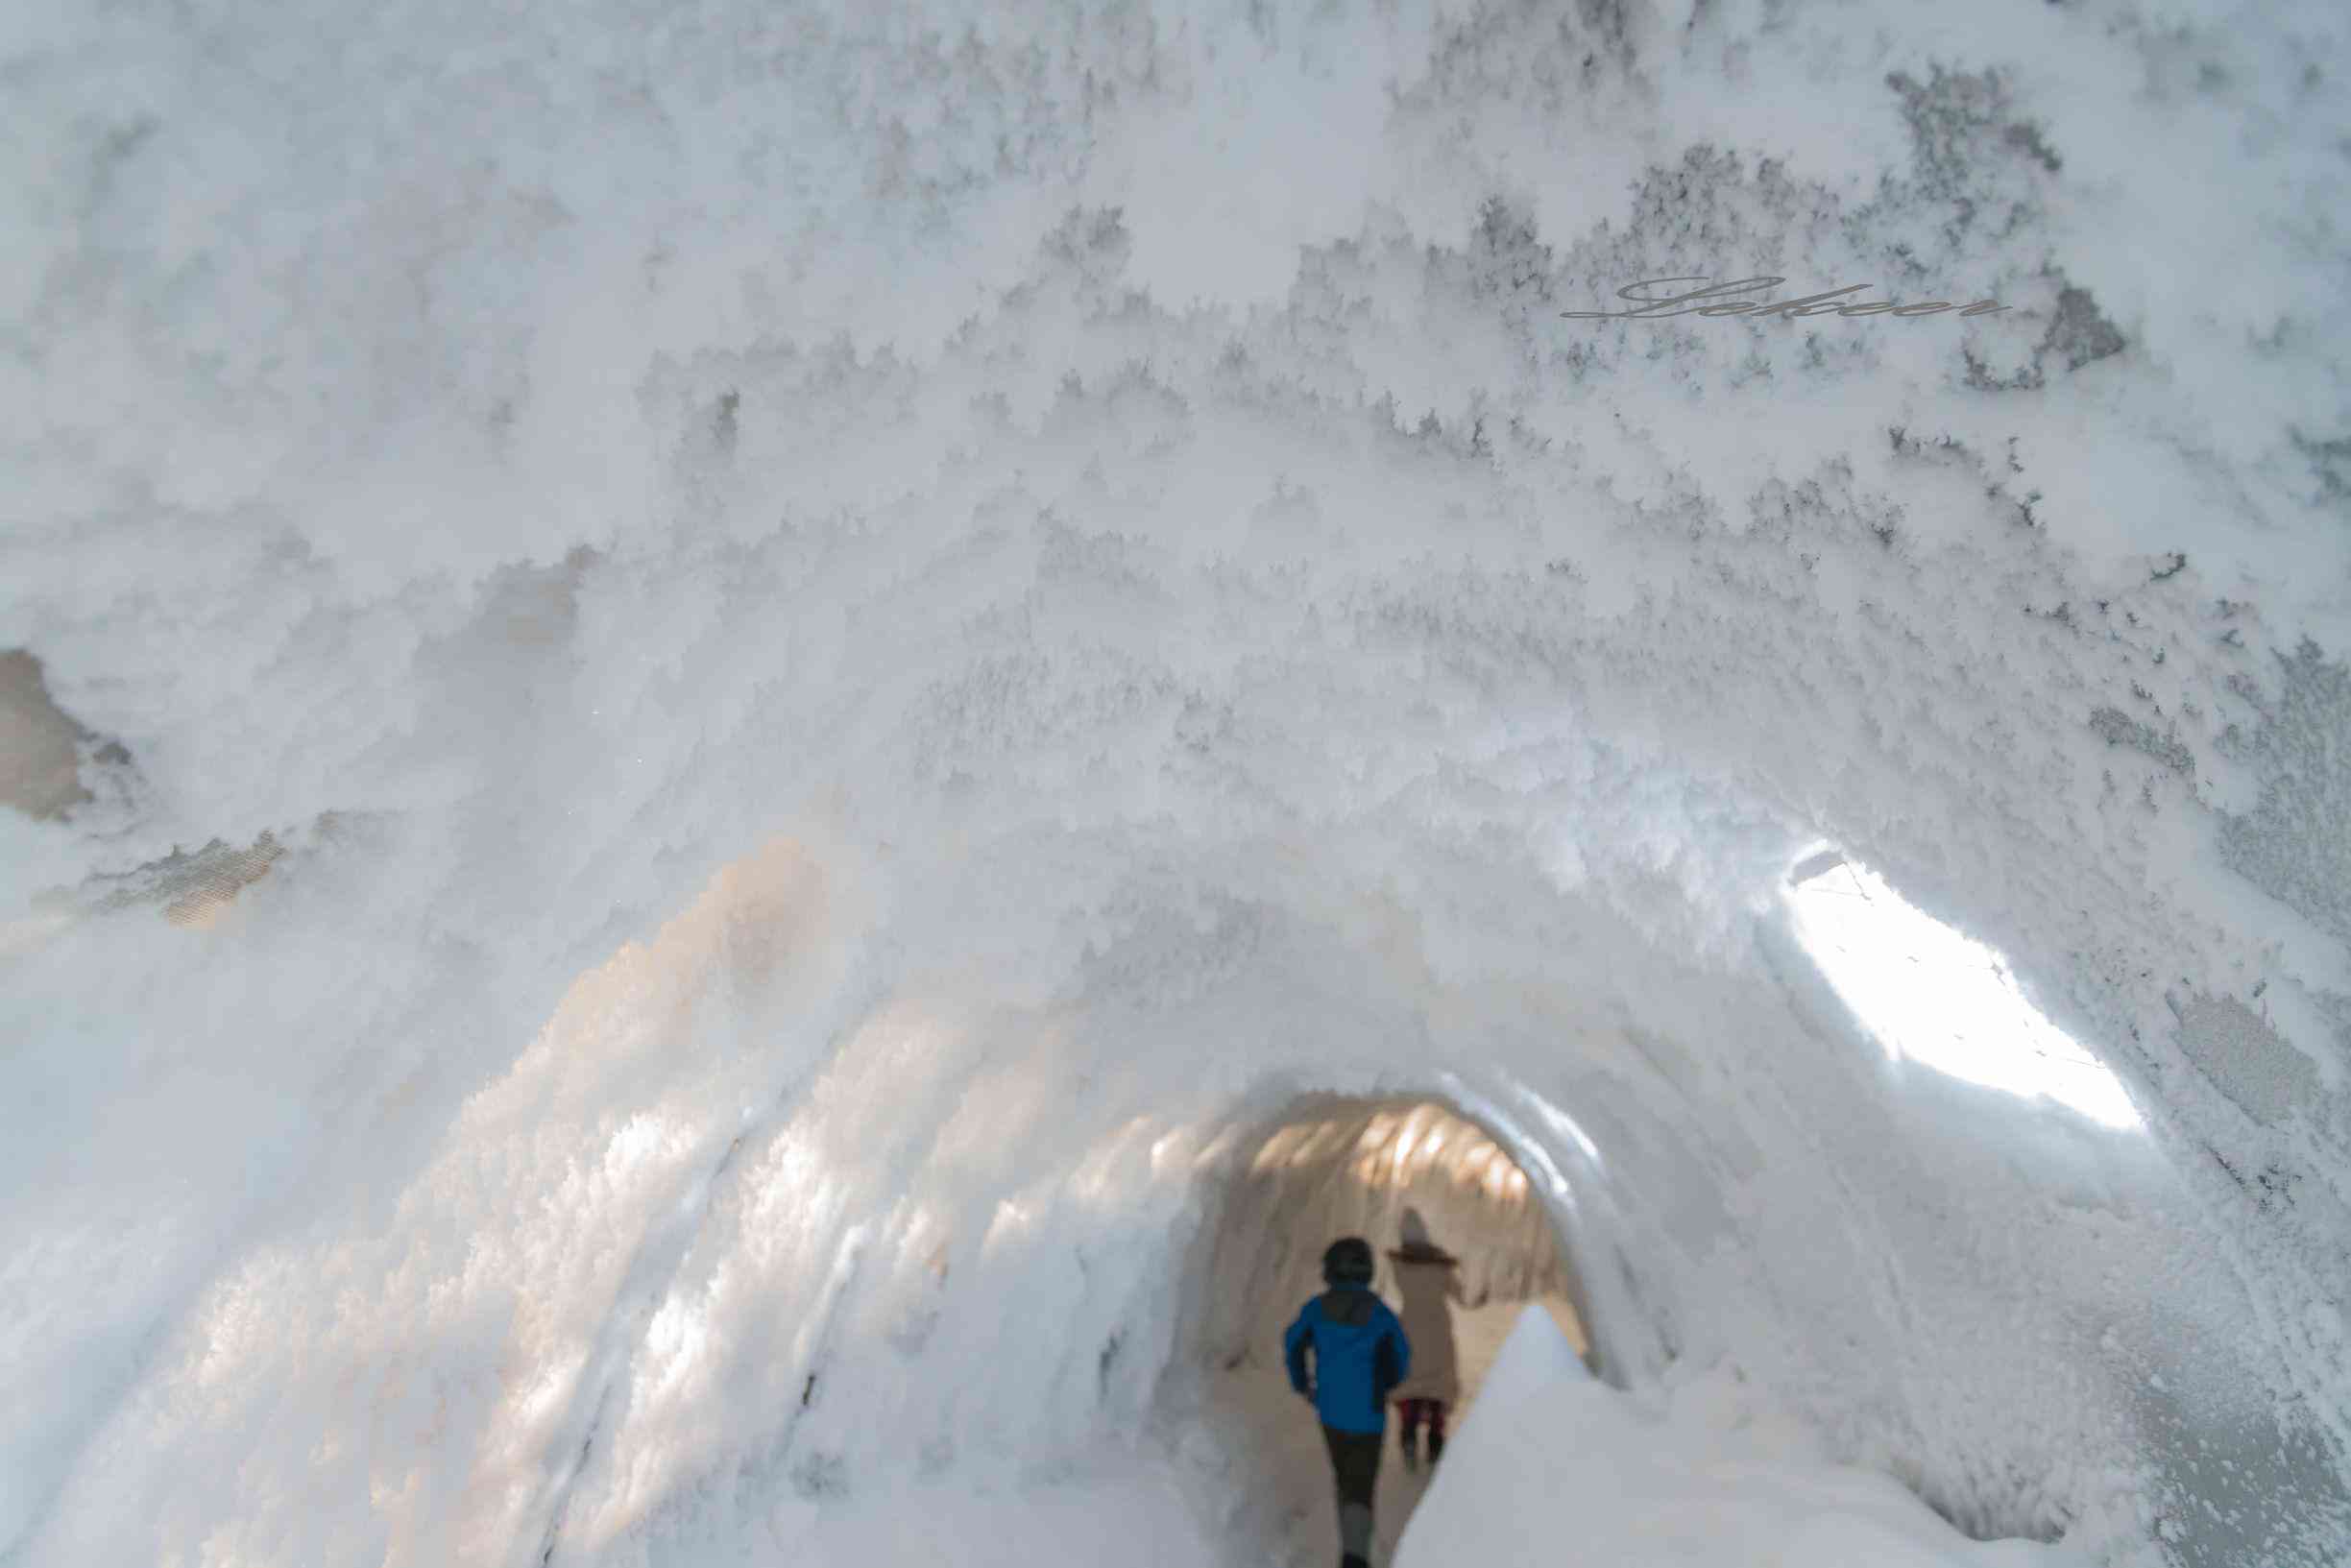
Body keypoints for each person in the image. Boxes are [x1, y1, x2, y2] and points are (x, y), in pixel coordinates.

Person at [1284, 1236, 1411, 1568]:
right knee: (1361, 1486)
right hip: (1368, 1417)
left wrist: (1303, 1384)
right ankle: (1354, 1557)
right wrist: (1385, 1383)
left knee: (1344, 1479)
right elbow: (1400, 1359)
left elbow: (1292, 1342)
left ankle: (1352, 1544)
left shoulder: (1316, 1310)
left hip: (1330, 1413)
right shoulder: (1381, 1315)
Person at [1384, 1208, 1466, 1473]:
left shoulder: (1399, 1267)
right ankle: (1435, 1439)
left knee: (1411, 1381)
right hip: (1438, 1329)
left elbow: (1399, 1262)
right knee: (1438, 1382)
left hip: (1409, 1327)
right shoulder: (1440, 1268)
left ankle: (1408, 1431)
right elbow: (1461, 1294)